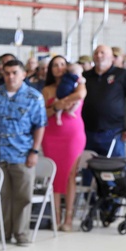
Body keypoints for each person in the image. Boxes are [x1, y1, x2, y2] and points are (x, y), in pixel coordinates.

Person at [0, 60, 47, 246]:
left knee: (23, 197)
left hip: (22, 154)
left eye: (14, 73)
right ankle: (2, 232)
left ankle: (21, 233)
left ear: (23, 74)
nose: (10, 77)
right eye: (6, 73)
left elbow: (40, 126)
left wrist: (35, 151)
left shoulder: (33, 97)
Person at [40, 55, 87, 231]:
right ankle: (56, 216)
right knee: (55, 176)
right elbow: (44, 114)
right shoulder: (47, 90)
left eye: (62, 64)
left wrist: (63, 102)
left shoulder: (78, 83)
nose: (59, 68)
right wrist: (57, 107)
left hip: (72, 133)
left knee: (70, 175)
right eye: (55, 65)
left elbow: (81, 95)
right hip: (52, 134)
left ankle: (68, 218)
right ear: (50, 70)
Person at [80, 45, 126, 158]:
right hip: (87, 130)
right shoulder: (85, 76)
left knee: (114, 168)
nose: (98, 55)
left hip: (114, 131)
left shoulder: (122, 74)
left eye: (102, 53)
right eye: (96, 53)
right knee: (88, 168)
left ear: (112, 57)